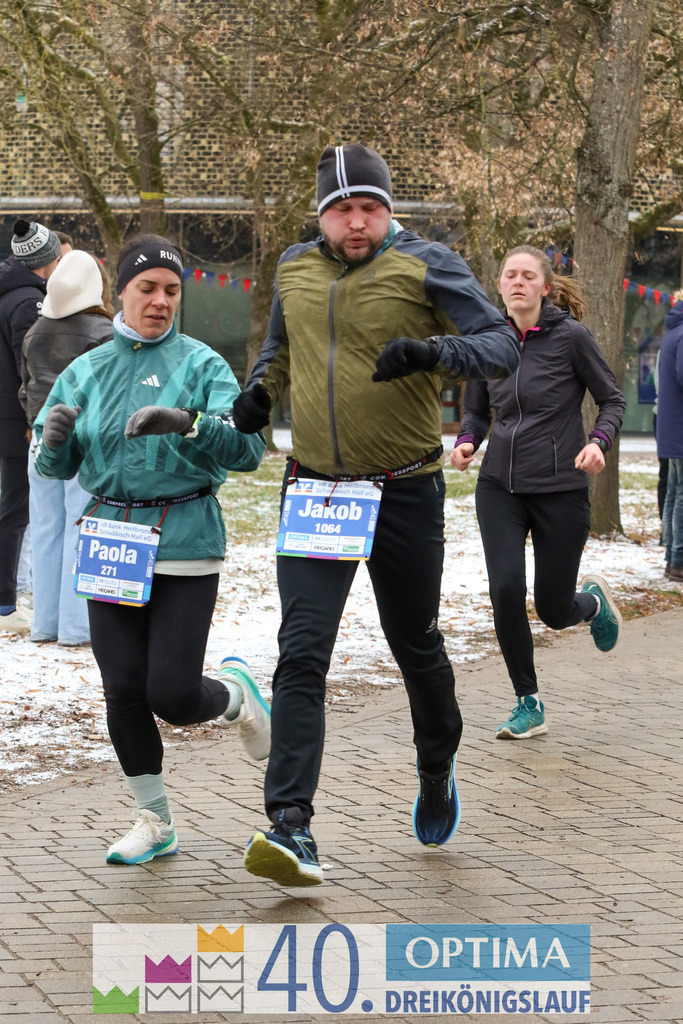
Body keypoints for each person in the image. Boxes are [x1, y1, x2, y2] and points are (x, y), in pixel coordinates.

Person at [232, 142, 520, 886]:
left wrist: (431, 351)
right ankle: (290, 826)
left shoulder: (426, 263)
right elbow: (279, 350)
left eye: (368, 208)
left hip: (404, 488)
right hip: (318, 489)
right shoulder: (294, 267)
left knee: (414, 645)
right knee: (301, 651)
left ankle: (435, 765)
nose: (354, 222)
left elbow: (500, 349)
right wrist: (260, 391)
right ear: (321, 214)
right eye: (340, 209)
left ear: (387, 210)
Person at [34, 233, 269, 865]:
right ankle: (154, 818)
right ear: (121, 290)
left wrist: (190, 423)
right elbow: (55, 465)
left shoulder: (202, 365)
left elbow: (248, 452)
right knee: (123, 692)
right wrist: (55, 438)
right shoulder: (87, 369)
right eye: (148, 288)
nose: (161, 301)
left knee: (171, 692)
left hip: (184, 536)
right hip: (112, 539)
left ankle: (235, 696)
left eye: (172, 290)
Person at [450, 245, 626, 741]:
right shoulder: (488, 340)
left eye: (529, 275)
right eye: (511, 275)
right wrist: (467, 442)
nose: (519, 282)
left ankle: (589, 604)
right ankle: (528, 701)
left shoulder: (570, 338)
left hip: (559, 488)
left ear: (545, 288)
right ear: (501, 285)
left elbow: (611, 399)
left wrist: (598, 442)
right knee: (505, 590)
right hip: (499, 487)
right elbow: (477, 411)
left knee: (552, 610)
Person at [20, 250, 115, 644]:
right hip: (82, 441)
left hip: (40, 439)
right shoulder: (104, 333)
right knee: (82, 527)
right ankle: (76, 627)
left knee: (44, 530)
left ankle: (44, 622)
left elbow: (27, 386)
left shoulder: (35, 331)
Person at [0, 219, 62, 633]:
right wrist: (35, 417)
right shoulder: (27, 303)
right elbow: (31, 369)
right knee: (16, 510)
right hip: (14, 420)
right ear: (47, 260)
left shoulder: (10, 294)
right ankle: (6, 602)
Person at [656, 289, 683, 582]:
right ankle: (678, 559)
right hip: (680, 430)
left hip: (672, 430)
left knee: (675, 494)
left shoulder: (674, 331)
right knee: (680, 495)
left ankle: (672, 557)